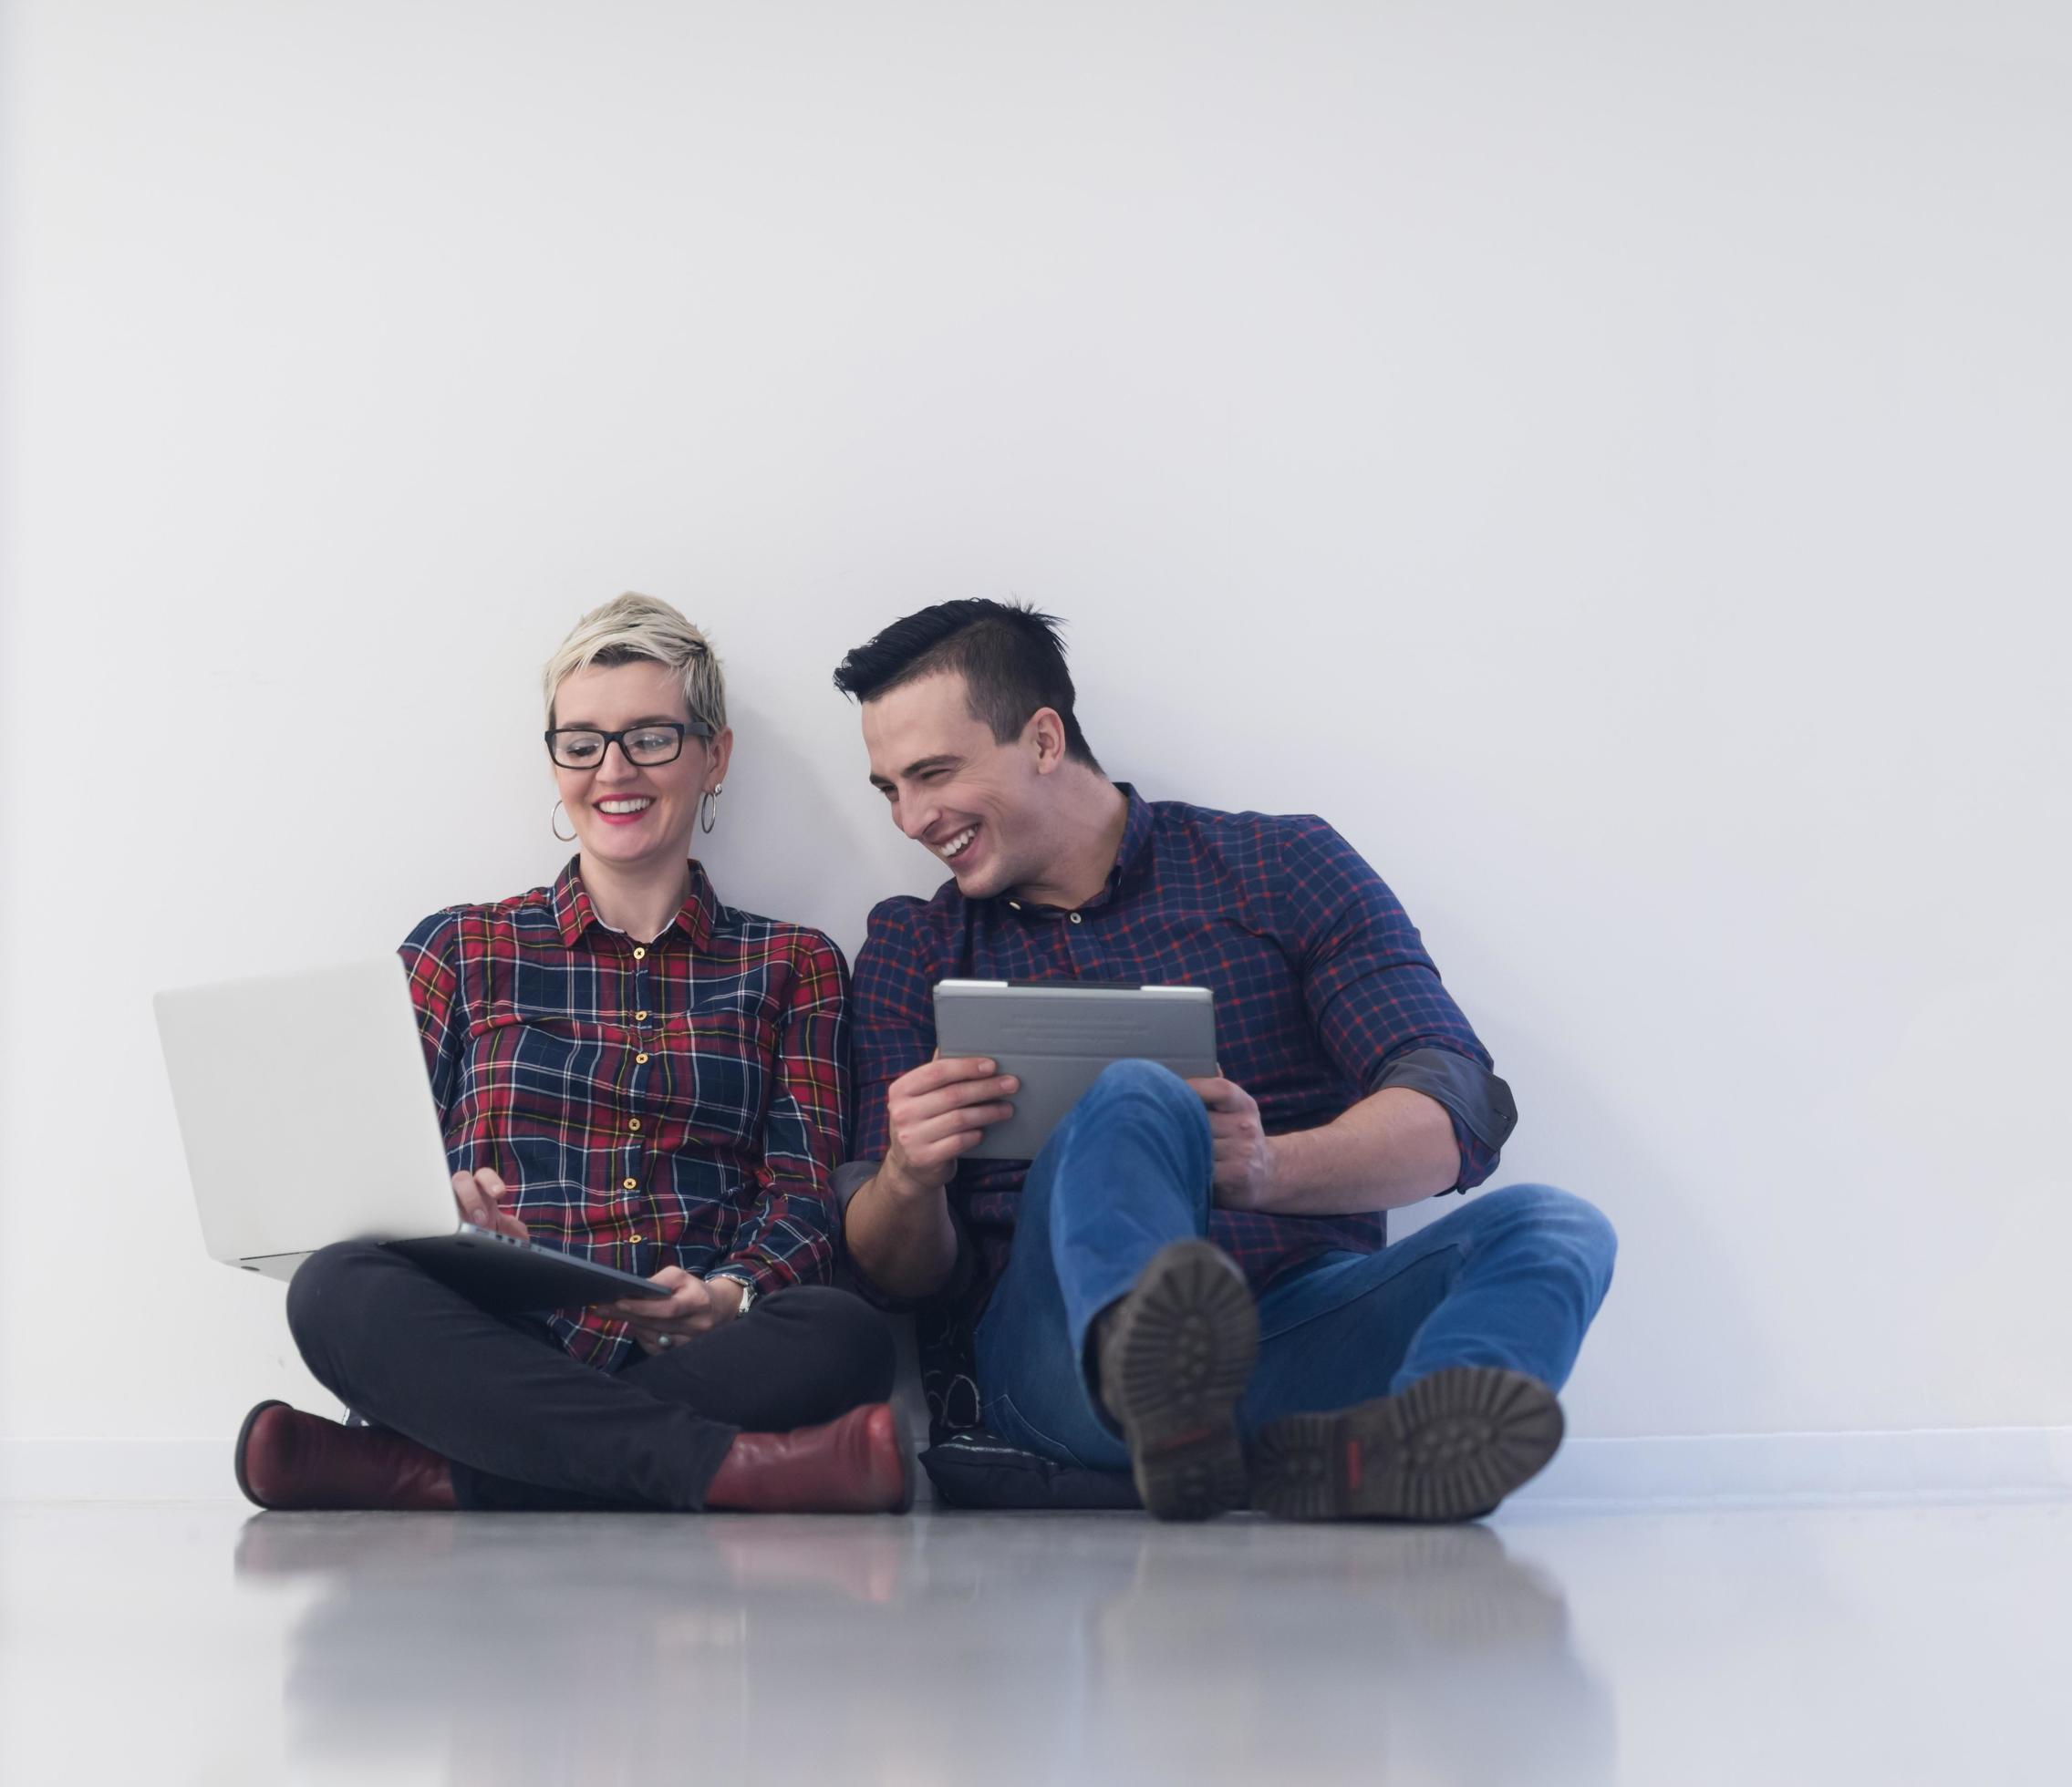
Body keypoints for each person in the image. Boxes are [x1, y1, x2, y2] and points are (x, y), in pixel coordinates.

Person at [831, 600, 1616, 1521]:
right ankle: (1152, 1380)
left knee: (1558, 1228)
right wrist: (909, 1174)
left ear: (1043, 738)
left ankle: (1384, 1453)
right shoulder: (912, 948)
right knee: (1136, 1094)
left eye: (933, 773)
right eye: (888, 788)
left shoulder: (1281, 868)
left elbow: (1455, 1112)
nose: (913, 817)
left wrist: (1268, 1166)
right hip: (1052, 1367)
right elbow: (893, 1272)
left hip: (1292, 1319)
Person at [235, 594, 910, 1513]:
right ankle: (726, 1467)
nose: (613, 770)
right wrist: (439, 1207)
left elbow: (800, 1195)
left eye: (650, 737)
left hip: (698, 1348)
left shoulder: (793, 964)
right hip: (495, 1339)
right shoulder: (457, 949)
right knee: (333, 1289)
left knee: (847, 1334)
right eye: (581, 741)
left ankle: (425, 1473)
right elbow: (361, 1184)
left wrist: (730, 1294)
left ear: (714, 756)